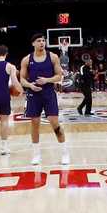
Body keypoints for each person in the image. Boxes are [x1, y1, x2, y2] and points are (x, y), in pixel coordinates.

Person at [19, 33, 69, 167]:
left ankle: (64, 152)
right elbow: (22, 79)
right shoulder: (26, 60)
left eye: (43, 40)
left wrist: (46, 80)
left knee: (55, 123)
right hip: (33, 94)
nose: (42, 43)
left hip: (48, 93)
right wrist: (30, 85)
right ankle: (36, 154)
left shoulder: (53, 57)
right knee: (35, 124)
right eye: (39, 41)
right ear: (33, 43)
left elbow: (59, 76)